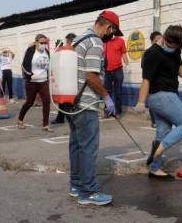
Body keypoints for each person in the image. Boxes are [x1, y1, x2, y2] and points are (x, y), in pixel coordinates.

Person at [135, 25, 182, 180]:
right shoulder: (152, 53)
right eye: (170, 45)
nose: (172, 48)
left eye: (175, 47)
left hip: (165, 97)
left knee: (163, 131)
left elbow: (180, 69)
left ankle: (155, 168)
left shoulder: (175, 50)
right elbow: (146, 80)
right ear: (165, 38)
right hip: (162, 96)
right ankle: (158, 150)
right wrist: (141, 102)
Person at [66, 11, 119, 206]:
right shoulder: (95, 43)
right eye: (112, 32)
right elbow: (91, 76)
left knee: (76, 145)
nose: (110, 35)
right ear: (109, 28)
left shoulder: (78, 39)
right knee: (88, 147)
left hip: (70, 101)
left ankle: (76, 185)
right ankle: (88, 192)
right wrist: (107, 97)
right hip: (86, 103)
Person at [18, 34, 53, 132]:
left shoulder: (47, 52)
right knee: (29, 102)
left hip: (43, 81)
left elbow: (48, 65)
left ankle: (45, 125)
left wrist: (50, 75)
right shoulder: (31, 51)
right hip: (32, 82)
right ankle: (20, 119)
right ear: (36, 42)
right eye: (41, 43)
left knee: (46, 101)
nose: (43, 45)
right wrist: (29, 74)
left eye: (45, 43)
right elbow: (24, 64)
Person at [51, 32, 77, 125]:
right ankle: (60, 118)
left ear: (70, 41)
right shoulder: (68, 51)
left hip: (71, 79)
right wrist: (59, 49)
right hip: (66, 78)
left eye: (67, 41)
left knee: (67, 102)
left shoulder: (74, 50)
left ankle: (70, 119)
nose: (66, 43)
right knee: (63, 100)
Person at [103, 29, 129, 119]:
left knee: (118, 92)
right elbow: (102, 55)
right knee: (107, 92)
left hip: (118, 70)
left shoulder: (120, 41)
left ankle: (118, 112)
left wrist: (127, 65)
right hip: (107, 71)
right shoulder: (104, 41)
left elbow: (124, 54)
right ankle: (107, 112)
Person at [145, 31, 164, 128]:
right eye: (158, 39)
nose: (161, 41)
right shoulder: (148, 52)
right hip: (152, 81)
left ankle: (161, 120)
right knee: (152, 102)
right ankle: (154, 121)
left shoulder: (163, 51)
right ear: (153, 40)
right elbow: (145, 69)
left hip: (162, 83)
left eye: (161, 38)